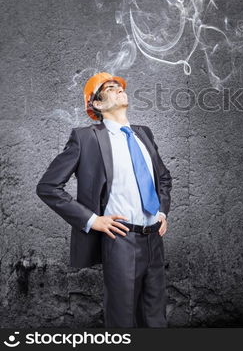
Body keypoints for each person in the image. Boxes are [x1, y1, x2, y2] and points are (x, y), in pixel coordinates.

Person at [36, 72, 173, 328]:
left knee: (155, 319)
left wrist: (162, 211)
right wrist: (92, 220)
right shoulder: (85, 138)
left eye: (119, 86)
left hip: (154, 238)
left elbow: (163, 178)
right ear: (97, 104)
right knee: (122, 320)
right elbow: (48, 187)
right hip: (120, 240)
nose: (119, 89)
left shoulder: (144, 134)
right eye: (110, 87)